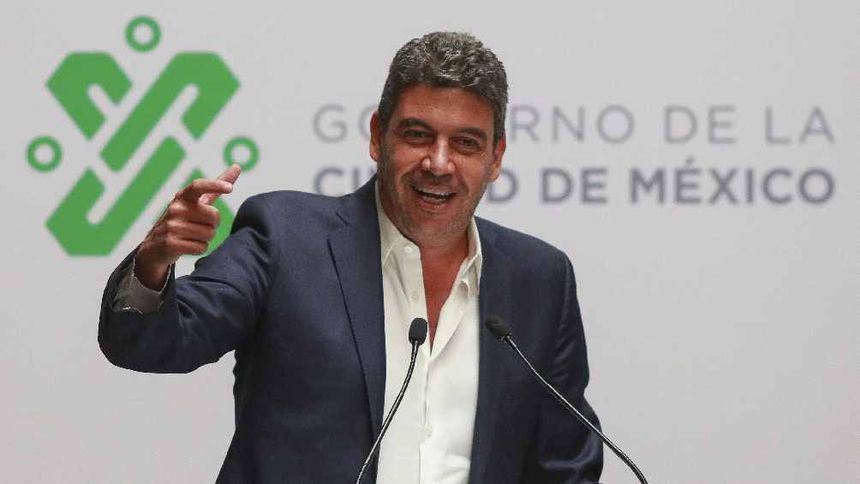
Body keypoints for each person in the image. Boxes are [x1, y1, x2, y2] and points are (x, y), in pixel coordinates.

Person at [99, 32, 603, 483]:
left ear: (495, 157)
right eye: (418, 135)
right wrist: (154, 263)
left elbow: (566, 463)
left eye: (466, 143)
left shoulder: (539, 279)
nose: (438, 163)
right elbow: (152, 343)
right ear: (378, 136)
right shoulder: (285, 239)